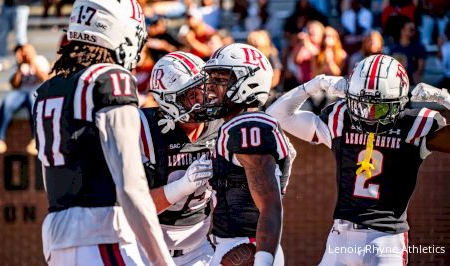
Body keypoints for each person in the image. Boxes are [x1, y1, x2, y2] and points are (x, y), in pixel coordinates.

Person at [267, 54, 450, 265]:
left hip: (386, 240)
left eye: (379, 107)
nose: (369, 114)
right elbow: (276, 116)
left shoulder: (414, 125)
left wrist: (445, 98)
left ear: (399, 102)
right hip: (340, 236)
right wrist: (315, 84)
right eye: (362, 104)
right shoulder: (341, 118)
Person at [33, 0, 174, 265]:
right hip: (102, 234)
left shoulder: (49, 88)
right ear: (114, 29)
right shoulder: (111, 78)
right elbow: (131, 186)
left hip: (57, 238)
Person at [199, 43, 295, 265]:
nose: (211, 88)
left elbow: (270, 203)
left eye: (220, 80)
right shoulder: (237, 125)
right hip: (237, 244)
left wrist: (262, 259)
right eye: (211, 80)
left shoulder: (247, 126)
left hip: (246, 248)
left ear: (247, 83)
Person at [140, 51, 221, 265]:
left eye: (202, 90)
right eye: (190, 95)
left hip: (199, 250)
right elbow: (134, 206)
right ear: (168, 100)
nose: (201, 100)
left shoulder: (221, 125)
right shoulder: (145, 128)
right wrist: (182, 186)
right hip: (147, 252)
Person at [0, 44, 50, 155]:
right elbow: (14, 85)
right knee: (7, 102)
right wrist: (20, 66)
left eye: (27, 52)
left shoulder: (40, 60)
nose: (25, 55)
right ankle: (0, 139)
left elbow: (45, 79)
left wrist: (32, 63)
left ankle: (35, 139)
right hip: (20, 92)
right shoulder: (18, 64)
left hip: (36, 90)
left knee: (32, 100)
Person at [0, 0, 30, 72]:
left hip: (21, 6)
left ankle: (23, 62)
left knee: (20, 37)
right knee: (2, 34)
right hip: (7, 5)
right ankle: (1, 60)